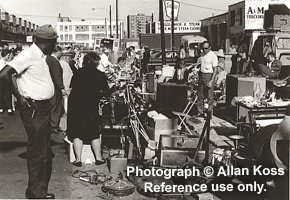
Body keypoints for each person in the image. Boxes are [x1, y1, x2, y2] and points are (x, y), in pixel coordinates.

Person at [0, 24, 57, 199]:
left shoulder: (40, 55)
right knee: (38, 152)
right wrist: (19, 96)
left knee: (42, 151)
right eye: (54, 42)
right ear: (46, 42)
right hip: (35, 108)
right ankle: (36, 193)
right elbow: (3, 74)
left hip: (42, 108)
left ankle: (37, 190)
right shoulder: (29, 55)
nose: (55, 45)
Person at [67, 52, 111, 167]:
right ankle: (98, 158)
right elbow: (106, 93)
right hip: (91, 105)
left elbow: (72, 87)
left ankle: (78, 159)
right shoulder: (99, 74)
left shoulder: (78, 73)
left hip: (76, 104)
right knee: (94, 131)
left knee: (77, 131)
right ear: (96, 62)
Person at [47, 46, 66, 134]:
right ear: (57, 52)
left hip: (49, 86)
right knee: (56, 105)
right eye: (60, 52)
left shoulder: (47, 59)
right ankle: (54, 125)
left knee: (52, 106)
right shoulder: (54, 61)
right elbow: (56, 75)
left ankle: (52, 124)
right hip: (55, 87)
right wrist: (62, 87)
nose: (61, 54)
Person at [196, 41, 218, 118]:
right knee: (200, 95)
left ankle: (209, 113)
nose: (204, 50)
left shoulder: (213, 56)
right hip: (202, 74)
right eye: (203, 48)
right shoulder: (202, 54)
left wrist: (212, 80)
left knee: (210, 96)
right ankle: (200, 112)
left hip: (209, 75)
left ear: (210, 48)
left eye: (206, 48)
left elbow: (215, 69)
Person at [0, 49, 13, 114]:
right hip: (1, 80)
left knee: (8, 94)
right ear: (5, 55)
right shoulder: (0, 63)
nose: (9, 56)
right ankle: (1, 108)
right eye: (8, 55)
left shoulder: (8, 63)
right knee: (1, 94)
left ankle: (9, 108)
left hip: (7, 80)